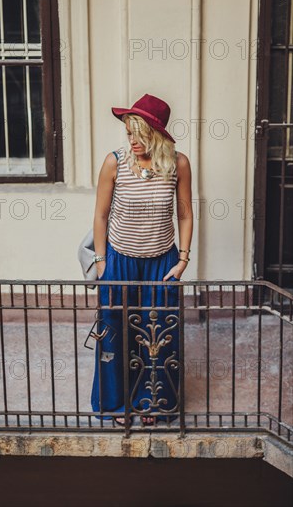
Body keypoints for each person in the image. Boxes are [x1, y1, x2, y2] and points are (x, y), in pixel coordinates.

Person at [90, 93, 193, 426]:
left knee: (157, 335)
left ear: (157, 133)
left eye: (140, 133)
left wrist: (182, 260)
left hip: (161, 263)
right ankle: (116, 403)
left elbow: (186, 214)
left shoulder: (178, 164)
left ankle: (151, 400)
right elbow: (101, 216)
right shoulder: (114, 162)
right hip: (120, 261)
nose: (133, 140)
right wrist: (103, 262)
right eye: (129, 132)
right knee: (116, 332)